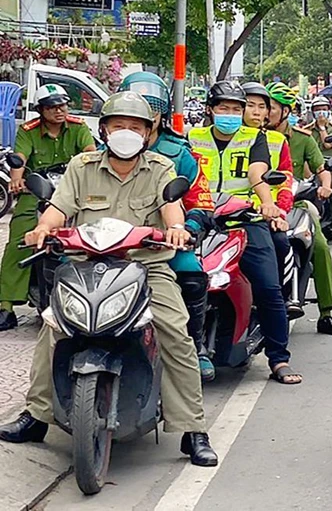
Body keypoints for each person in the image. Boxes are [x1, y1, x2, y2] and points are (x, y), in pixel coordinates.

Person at [0, 92, 218, 465]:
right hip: (85, 265)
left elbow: (171, 209)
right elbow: (58, 208)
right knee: (53, 327)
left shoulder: (161, 168)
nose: (127, 133)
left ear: (149, 133)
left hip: (146, 267)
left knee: (176, 333)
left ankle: (192, 428)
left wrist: (178, 230)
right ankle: (37, 415)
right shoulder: (82, 166)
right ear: (104, 129)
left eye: (136, 127)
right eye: (119, 125)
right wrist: (41, 230)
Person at [187, 81, 301, 385]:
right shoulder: (192, 137)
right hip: (198, 219)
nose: (231, 114)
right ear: (210, 110)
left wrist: (267, 204)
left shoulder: (255, 138)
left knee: (268, 288)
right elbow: (179, 173)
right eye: (224, 108)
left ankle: (279, 358)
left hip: (244, 220)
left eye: (236, 109)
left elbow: (257, 173)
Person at [120, 71, 217, 381]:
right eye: (125, 120)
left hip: (160, 248)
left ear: (159, 117)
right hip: (106, 248)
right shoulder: (93, 156)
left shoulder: (179, 156)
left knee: (191, 272)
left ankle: (196, 346)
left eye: (147, 114)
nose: (132, 128)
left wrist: (185, 230)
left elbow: (201, 201)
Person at [251, 82, 332, 336]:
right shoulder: (247, 136)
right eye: (258, 106)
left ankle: (326, 313)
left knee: (320, 246)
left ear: (285, 111)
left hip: (295, 201)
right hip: (254, 205)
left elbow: (321, 169)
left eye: (269, 107)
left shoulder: (303, 139)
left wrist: (325, 187)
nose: (264, 112)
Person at [0, 84, 95, 331]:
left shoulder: (78, 128)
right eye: (52, 107)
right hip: (38, 189)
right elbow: (20, 157)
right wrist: (16, 177)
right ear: (41, 110)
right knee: (19, 238)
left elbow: (89, 154)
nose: (59, 111)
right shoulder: (28, 131)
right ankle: (6, 305)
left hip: (72, 188)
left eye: (62, 105)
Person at [245, 83, 299, 318]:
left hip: (268, 213)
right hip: (224, 212)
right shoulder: (209, 138)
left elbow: (286, 180)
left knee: (281, 243)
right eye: (249, 106)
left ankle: (283, 296)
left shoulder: (277, 141)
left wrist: (279, 212)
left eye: (262, 107)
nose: (256, 112)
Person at [305, 96, 332, 245]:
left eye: (323, 109)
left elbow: (328, 145)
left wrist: (322, 128)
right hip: (310, 167)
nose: (321, 112)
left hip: (330, 166)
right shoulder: (307, 130)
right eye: (317, 110)